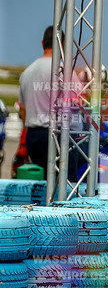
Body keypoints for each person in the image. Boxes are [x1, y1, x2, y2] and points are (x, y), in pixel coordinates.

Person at [17, 25, 61, 177]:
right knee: (66, 183)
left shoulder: (26, 72)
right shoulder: (62, 70)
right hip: (56, 134)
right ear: (63, 45)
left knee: (40, 181)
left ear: (42, 43)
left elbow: (22, 108)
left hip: (33, 136)